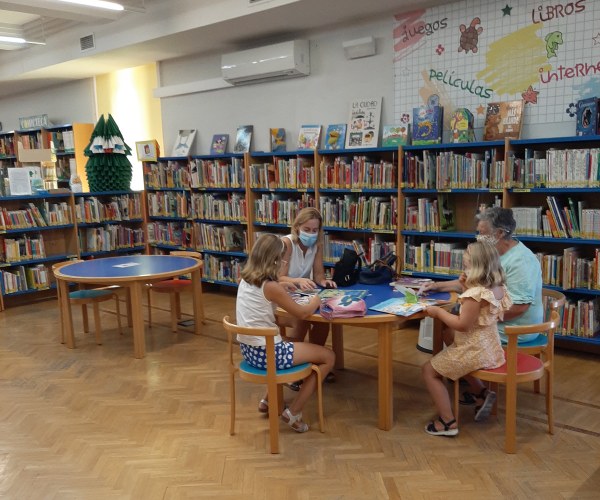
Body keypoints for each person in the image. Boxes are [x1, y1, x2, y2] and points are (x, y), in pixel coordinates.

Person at [419, 207, 543, 403]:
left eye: (482, 233)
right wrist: (436, 285)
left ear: (500, 233)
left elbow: (520, 308)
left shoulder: (521, 261)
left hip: (517, 327)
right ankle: (474, 382)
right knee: (452, 324)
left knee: (455, 330)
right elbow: (475, 282)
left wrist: (472, 315)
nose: (478, 238)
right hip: (499, 318)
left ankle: (466, 373)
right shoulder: (493, 253)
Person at [236, 233, 335, 433]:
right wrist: (317, 299)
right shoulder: (271, 287)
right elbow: (304, 312)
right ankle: (294, 412)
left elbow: (265, 297)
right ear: (273, 260)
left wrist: (282, 286)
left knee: (295, 338)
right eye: (281, 259)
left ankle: (268, 399)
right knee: (328, 357)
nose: (283, 263)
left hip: (249, 350)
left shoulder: (246, 280)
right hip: (268, 354)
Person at [422, 240, 512, 436]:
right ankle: (481, 394)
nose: (464, 260)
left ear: (477, 265)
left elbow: (463, 324)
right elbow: (480, 313)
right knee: (453, 354)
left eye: (467, 259)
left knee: (429, 371)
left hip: (473, 350)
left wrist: (437, 312)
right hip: (490, 348)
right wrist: (465, 287)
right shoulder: (497, 287)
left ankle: (447, 422)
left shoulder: (474, 294)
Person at [279, 207, 336, 346]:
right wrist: (298, 280)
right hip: (282, 295)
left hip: (302, 295)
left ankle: (314, 359)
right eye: (306, 229)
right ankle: (297, 357)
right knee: (303, 319)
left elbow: (318, 274)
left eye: (314, 230)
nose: (310, 234)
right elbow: (279, 277)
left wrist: (324, 281)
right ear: (297, 227)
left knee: (323, 319)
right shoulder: (287, 243)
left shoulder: (317, 245)